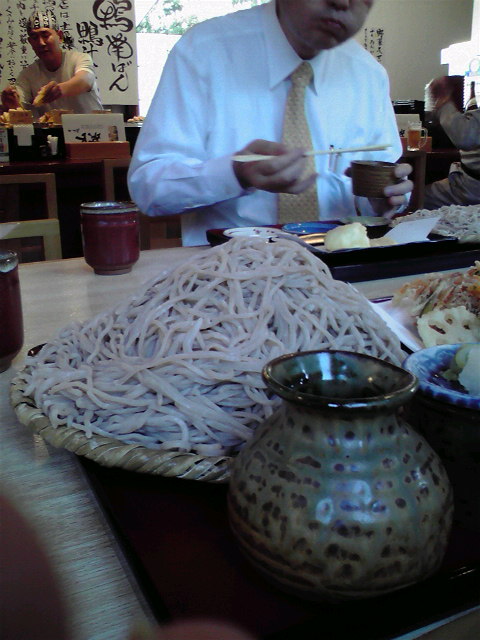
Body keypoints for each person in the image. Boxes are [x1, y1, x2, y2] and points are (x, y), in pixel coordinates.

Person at [128, 0, 412, 246]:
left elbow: (377, 194)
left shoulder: (368, 75)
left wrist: (378, 200)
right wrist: (235, 174)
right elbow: (148, 188)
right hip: (226, 271)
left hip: (341, 272)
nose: (342, 2)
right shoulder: (203, 51)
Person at [1, 9, 103, 116]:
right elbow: (19, 102)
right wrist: (10, 102)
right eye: (35, 37)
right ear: (30, 42)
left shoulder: (79, 58)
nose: (41, 43)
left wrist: (60, 89)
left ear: (60, 36)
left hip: (92, 125)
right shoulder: (28, 74)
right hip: (52, 127)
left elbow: (85, 80)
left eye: (45, 35)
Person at [423, 76, 480, 208]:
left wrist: (443, 101)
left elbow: (464, 135)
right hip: (470, 181)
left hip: (471, 187)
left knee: (418, 196)